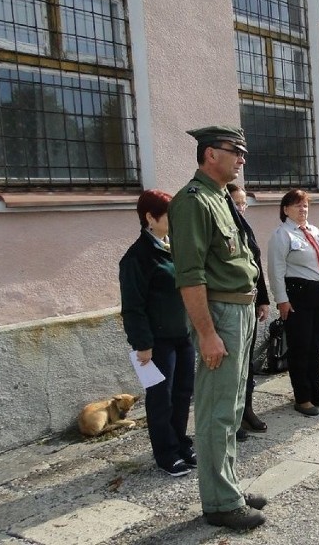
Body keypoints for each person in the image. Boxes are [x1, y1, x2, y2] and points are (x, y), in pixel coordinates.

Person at [168, 125, 267, 531]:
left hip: (239, 311)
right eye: (235, 151)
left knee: (233, 407)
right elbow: (189, 277)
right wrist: (207, 334)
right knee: (216, 412)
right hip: (220, 315)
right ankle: (219, 503)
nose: (242, 159)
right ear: (210, 154)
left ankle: (229, 488)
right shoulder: (193, 202)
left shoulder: (220, 197)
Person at [119, 189, 196, 477]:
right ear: (150, 218)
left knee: (182, 394)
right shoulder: (137, 257)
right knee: (160, 398)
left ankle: (180, 443)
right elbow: (133, 306)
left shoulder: (171, 247)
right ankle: (165, 453)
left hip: (181, 335)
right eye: (169, 216)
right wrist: (142, 344)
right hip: (157, 343)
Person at [267, 190, 319, 416]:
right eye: (297, 206)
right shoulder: (282, 234)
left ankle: (317, 390)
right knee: (301, 347)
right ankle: (302, 397)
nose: (303, 209)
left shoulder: (314, 231)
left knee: (316, 346)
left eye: (305, 205)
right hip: (299, 297)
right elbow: (276, 270)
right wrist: (281, 300)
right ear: (285, 209)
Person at [227, 184, 269, 439]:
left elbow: (256, 267)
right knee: (234, 364)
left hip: (251, 302)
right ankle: (233, 416)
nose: (242, 208)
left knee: (248, 363)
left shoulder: (245, 228)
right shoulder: (224, 228)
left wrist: (263, 299)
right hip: (232, 305)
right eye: (237, 203)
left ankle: (247, 410)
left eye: (244, 203)